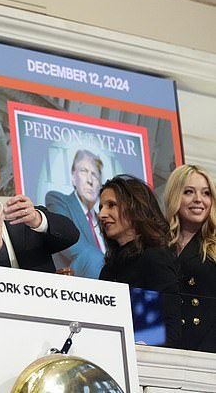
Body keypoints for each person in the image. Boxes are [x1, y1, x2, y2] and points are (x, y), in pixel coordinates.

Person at [98, 175, 179, 347]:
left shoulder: (154, 258)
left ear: (136, 208)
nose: (101, 214)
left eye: (111, 205)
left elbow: (169, 328)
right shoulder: (109, 269)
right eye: (101, 207)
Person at [164, 164, 216, 352]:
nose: (199, 200)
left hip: (207, 355)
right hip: (165, 351)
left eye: (206, 193)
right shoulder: (159, 246)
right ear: (174, 196)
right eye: (188, 192)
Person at [45, 149, 106, 278]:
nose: (90, 180)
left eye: (95, 175)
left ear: (100, 185)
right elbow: (74, 249)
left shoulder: (104, 221)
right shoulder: (58, 200)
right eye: (84, 171)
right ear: (73, 178)